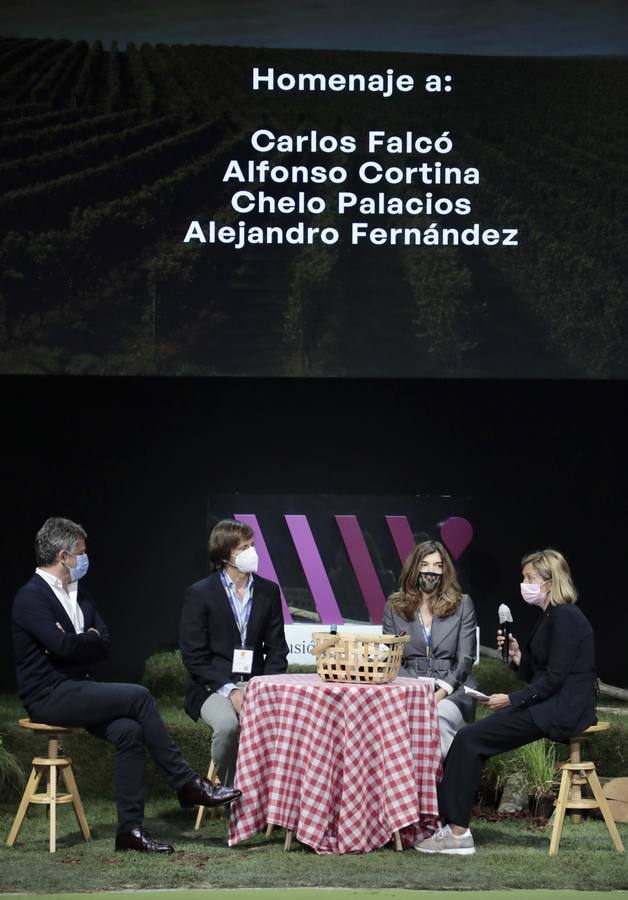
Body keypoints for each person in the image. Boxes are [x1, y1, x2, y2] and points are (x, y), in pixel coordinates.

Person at [11, 517, 241, 854]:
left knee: (129, 731)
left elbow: (103, 642)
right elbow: (65, 648)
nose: (85, 559)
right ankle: (186, 783)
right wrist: (80, 640)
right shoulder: (30, 598)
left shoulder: (80, 594)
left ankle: (129, 832)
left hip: (80, 688)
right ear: (63, 556)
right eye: (81, 552)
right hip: (49, 695)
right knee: (140, 696)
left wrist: (80, 639)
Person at [416, 548, 597, 856]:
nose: (523, 584)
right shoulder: (551, 616)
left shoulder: (565, 617)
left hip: (561, 710)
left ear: (550, 581)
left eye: (529, 578)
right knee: (470, 739)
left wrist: (510, 700)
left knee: (469, 738)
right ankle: (452, 825)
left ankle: (457, 832)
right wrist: (516, 657)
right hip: (547, 704)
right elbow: (537, 673)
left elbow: (554, 681)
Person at [179, 519, 289, 786]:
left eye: (252, 545)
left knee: (287, 728)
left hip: (256, 684)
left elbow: (277, 649)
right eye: (244, 547)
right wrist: (231, 690)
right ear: (226, 554)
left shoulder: (268, 591)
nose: (252, 552)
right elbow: (194, 656)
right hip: (212, 686)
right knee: (229, 725)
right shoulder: (200, 593)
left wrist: (259, 686)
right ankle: (234, 795)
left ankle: (272, 800)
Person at [382, 540, 478, 756]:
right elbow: (392, 658)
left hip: (452, 689)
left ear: (446, 571)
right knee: (395, 724)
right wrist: (416, 693)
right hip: (408, 687)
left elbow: (465, 659)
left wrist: (440, 692)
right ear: (414, 568)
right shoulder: (394, 606)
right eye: (425, 565)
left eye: (438, 566)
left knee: (438, 718)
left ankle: (444, 786)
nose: (431, 571)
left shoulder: (462, 605)